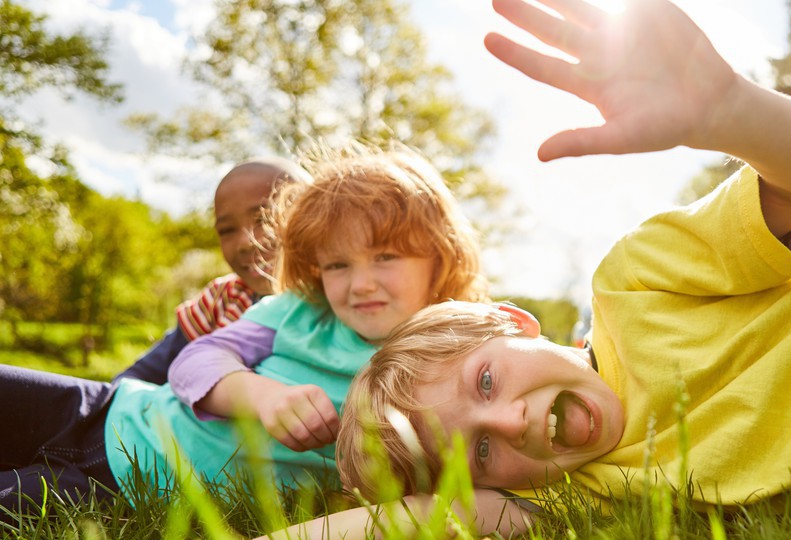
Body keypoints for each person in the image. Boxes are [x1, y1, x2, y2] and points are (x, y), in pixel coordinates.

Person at [2, 0, 791, 540]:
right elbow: (379, 527)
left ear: (513, 328)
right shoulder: (592, 499)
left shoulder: (635, 287)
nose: (508, 424)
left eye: (484, 383)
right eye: (478, 453)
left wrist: (730, 109)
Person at [0, 144, 487, 513]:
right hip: (107, 410)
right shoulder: (299, 309)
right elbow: (192, 362)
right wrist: (263, 396)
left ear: (439, 255)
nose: (360, 284)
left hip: (131, 478)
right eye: (337, 264)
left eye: (385, 257)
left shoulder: (443, 362)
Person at [116, 158, 310, 385]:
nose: (246, 243)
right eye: (227, 230)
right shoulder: (221, 301)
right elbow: (134, 379)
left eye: (264, 219)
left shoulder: (339, 305)